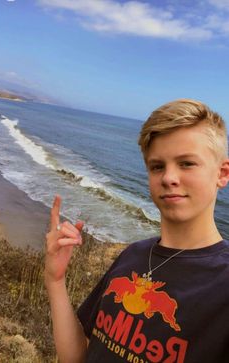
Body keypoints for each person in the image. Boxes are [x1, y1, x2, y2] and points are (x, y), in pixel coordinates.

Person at [45, 99, 229, 363]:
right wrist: (55, 280)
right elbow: (78, 357)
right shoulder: (132, 255)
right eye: (157, 166)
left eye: (187, 163)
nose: (169, 177)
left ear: (222, 173)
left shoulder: (222, 284)